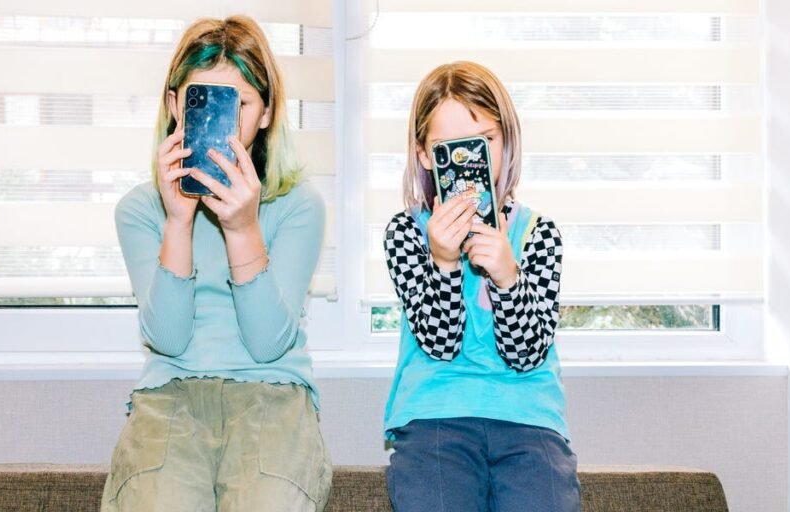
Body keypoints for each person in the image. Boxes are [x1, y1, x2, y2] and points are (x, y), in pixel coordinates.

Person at [101, 16, 332, 512]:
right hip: (170, 395)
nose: (221, 125)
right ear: (174, 107)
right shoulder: (140, 211)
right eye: (202, 102)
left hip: (273, 393)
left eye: (239, 104)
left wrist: (242, 228)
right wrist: (178, 221)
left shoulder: (298, 205)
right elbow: (168, 338)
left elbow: (268, 343)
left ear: (266, 113)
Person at [382, 61, 580, 512]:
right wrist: (443, 261)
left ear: (506, 140)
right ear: (424, 155)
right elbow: (439, 344)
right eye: (448, 148)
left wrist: (508, 277)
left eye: (484, 141)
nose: (471, 161)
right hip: (435, 411)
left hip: (527, 414)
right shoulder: (406, 232)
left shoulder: (538, 233)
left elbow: (527, 353)